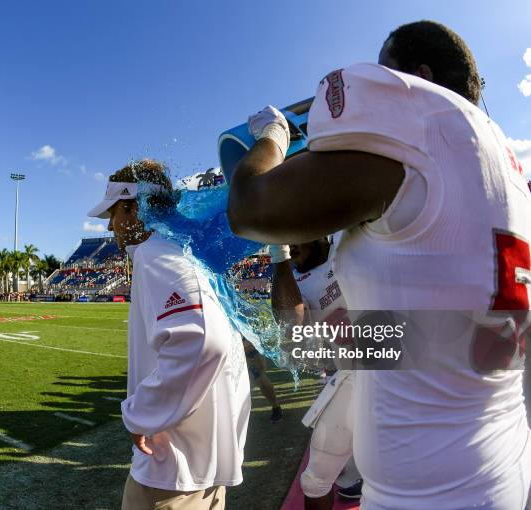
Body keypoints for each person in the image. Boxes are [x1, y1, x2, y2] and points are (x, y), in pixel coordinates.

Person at [227, 20, 531, 510]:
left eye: (388, 71)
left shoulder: (427, 127)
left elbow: (249, 208)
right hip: (500, 461)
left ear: (420, 76)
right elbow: (422, 331)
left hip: (429, 492)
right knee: (323, 467)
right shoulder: (502, 162)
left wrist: (273, 140)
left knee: (321, 470)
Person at [88, 158, 251, 510]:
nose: (111, 226)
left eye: (113, 214)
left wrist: (143, 414)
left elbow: (203, 340)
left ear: (132, 209)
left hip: (173, 469)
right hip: (201, 466)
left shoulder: (154, 253)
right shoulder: (189, 251)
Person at [270, 236, 361, 509]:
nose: (290, 242)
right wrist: (278, 255)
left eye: (293, 232)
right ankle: (353, 476)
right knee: (315, 482)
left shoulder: (348, 244)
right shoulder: (291, 280)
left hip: (394, 372)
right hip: (352, 380)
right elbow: (291, 327)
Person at [242, 337, 283, 422]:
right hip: (231, 346)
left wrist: (249, 341)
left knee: (260, 379)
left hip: (249, 346)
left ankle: (276, 408)